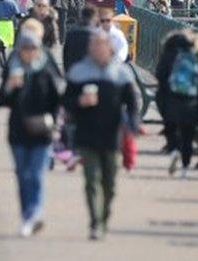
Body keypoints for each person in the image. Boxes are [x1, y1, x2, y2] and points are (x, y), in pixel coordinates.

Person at [64, 31, 139, 239]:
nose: (98, 49)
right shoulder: (80, 71)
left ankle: (104, 216)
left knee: (110, 184)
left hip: (112, 135)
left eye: (102, 45)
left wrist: (133, 124)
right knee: (91, 180)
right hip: (86, 134)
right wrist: (79, 102)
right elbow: (66, 101)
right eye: (94, 45)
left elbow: (132, 103)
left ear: (110, 48)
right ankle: (95, 222)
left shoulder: (121, 73)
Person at [0, 32, 63, 237]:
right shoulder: (14, 70)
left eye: (33, 48)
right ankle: (27, 214)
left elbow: (57, 99)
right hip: (18, 131)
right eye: (25, 49)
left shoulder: (46, 71)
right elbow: (0, 101)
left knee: (35, 175)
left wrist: (54, 121)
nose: (29, 53)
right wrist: (10, 87)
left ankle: (34, 214)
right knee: (22, 176)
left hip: (42, 131)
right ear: (20, 51)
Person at [155, 29, 198, 178]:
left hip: (171, 100)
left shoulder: (169, 54)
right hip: (191, 102)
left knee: (170, 129)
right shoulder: (197, 56)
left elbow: (159, 75)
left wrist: (163, 99)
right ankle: (185, 168)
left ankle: (173, 151)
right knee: (188, 136)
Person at [63, 6, 98, 73]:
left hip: (73, 71)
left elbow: (66, 55)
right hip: (91, 73)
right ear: (94, 18)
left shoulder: (71, 34)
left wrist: (67, 71)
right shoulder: (97, 36)